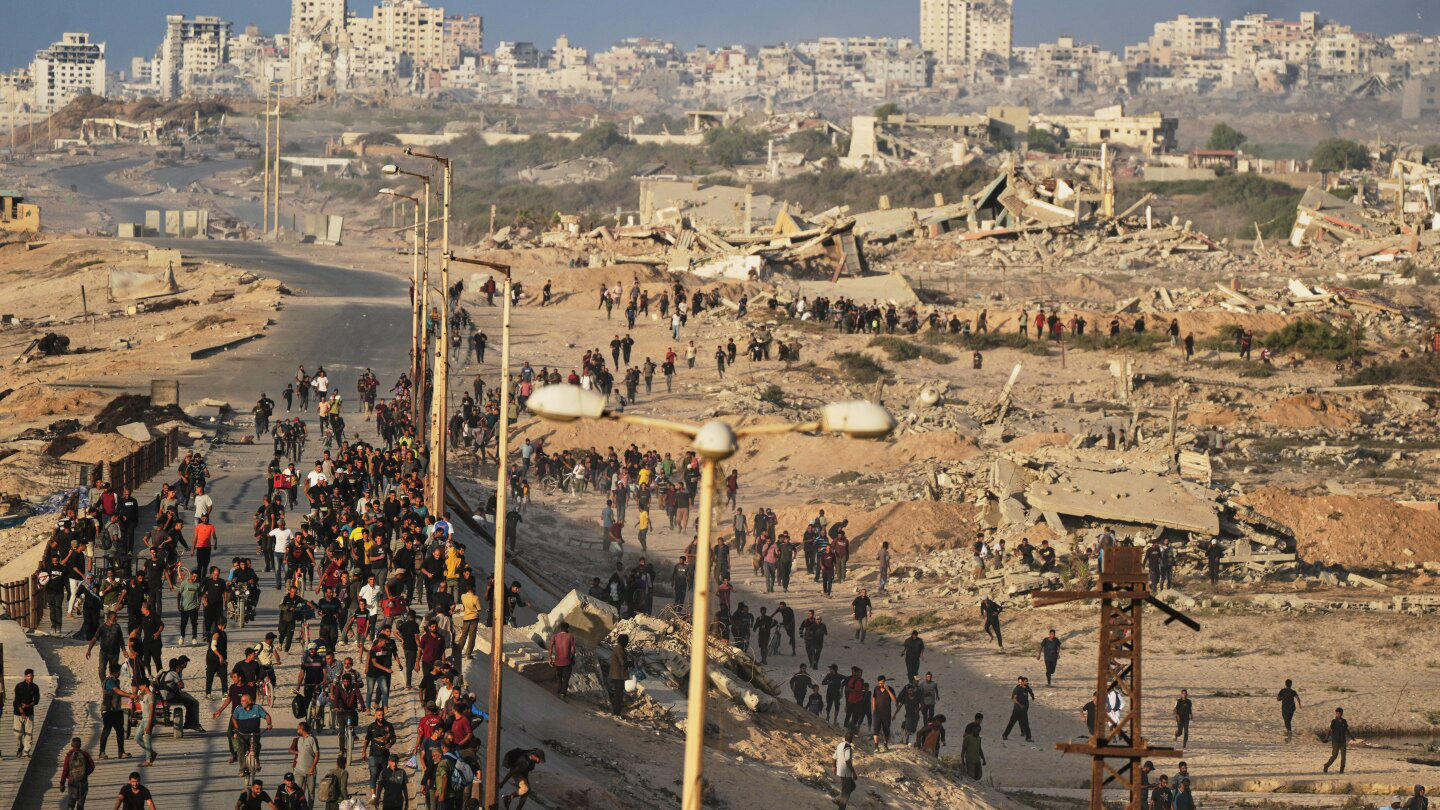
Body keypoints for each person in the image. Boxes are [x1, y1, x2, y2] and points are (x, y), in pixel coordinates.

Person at [60, 736, 95, 810]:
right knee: (80, 803)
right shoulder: (85, 754)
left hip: (72, 781)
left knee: (71, 803)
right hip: (83, 781)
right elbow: (92, 766)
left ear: (72, 745)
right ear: (80, 745)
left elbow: (65, 770)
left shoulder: (69, 755)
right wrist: (85, 773)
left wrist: (62, 783)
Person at [13, 667, 40, 757]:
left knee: (29, 733)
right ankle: (20, 746)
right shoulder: (19, 686)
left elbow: (36, 701)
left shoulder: (35, 687)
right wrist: (21, 709)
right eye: (28, 676)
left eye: (31, 676)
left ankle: (26, 752)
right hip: (18, 713)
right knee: (18, 733)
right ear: (25, 676)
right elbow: (16, 699)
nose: (30, 678)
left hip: (29, 713)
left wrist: (27, 706)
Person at [291, 721, 320, 803]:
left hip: (310, 771)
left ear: (302, 729)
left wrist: (312, 767)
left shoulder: (312, 739)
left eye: (298, 729)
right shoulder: (299, 739)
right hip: (298, 770)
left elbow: (317, 755)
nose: (297, 730)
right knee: (296, 791)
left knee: (311, 793)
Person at [1002, 676, 1035, 743]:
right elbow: (1014, 699)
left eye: (1027, 681)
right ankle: (1005, 735)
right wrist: (1020, 705)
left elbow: (1031, 692)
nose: (1027, 682)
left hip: (1024, 710)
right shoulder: (1017, 689)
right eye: (1025, 681)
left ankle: (1028, 738)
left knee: (1026, 724)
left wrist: (1032, 697)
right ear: (1022, 682)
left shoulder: (1027, 687)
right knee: (1011, 723)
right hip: (1017, 710)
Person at [549, 621, 576, 698]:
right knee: (566, 678)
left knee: (559, 676)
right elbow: (573, 649)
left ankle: (559, 690)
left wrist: (550, 658)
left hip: (558, 661)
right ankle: (563, 693)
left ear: (560, 628)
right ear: (567, 628)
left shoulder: (555, 636)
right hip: (567, 661)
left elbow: (550, 647)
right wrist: (573, 659)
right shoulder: (570, 636)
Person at [607, 634, 630, 716]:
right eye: (627, 641)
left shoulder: (618, 648)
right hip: (618, 675)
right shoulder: (619, 649)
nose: (627, 643)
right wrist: (631, 663)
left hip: (616, 674)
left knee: (617, 694)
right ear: (623, 641)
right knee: (618, 695)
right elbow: (623, 663)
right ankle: (616, 713)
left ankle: (615, 711)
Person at [872, 676, 896, 750]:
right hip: (877, 713)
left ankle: (885, 744)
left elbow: (894, 699)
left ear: (885, 682)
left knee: (886, 729)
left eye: (882, 683)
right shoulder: (876, 689)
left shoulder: (890, 689)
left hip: (886, 713)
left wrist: (888, 690)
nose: (880, 684)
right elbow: (874, 698)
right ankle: (876, 746)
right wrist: (873, 709)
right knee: (876, 729)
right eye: (879, 683)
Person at [834, 730, 857, 808]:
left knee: (852, 786)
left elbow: (834, 757)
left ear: (844, 738)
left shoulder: (840, 745)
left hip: (841, 770)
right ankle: (841, 807)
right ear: (851, 740)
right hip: (845, 772)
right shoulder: (848, 747)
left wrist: (834, 767)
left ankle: (837, 799)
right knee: (846, 793)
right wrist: (853, 772)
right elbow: (847, 760)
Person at [1324, 707, 1349, 774]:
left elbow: (1346, 730)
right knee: (1334, 756)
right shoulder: (1334, 721)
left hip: (1343, 741)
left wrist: (1352, 738)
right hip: (1335, 741)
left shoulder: (1344, 721)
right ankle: (1326, 766)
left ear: (1341, 714)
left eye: (1339, 713)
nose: (1338, 714)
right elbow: (1329, 730)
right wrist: (1326, 738)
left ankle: (1341, 770)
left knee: (1344, 757)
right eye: (1337, 713)